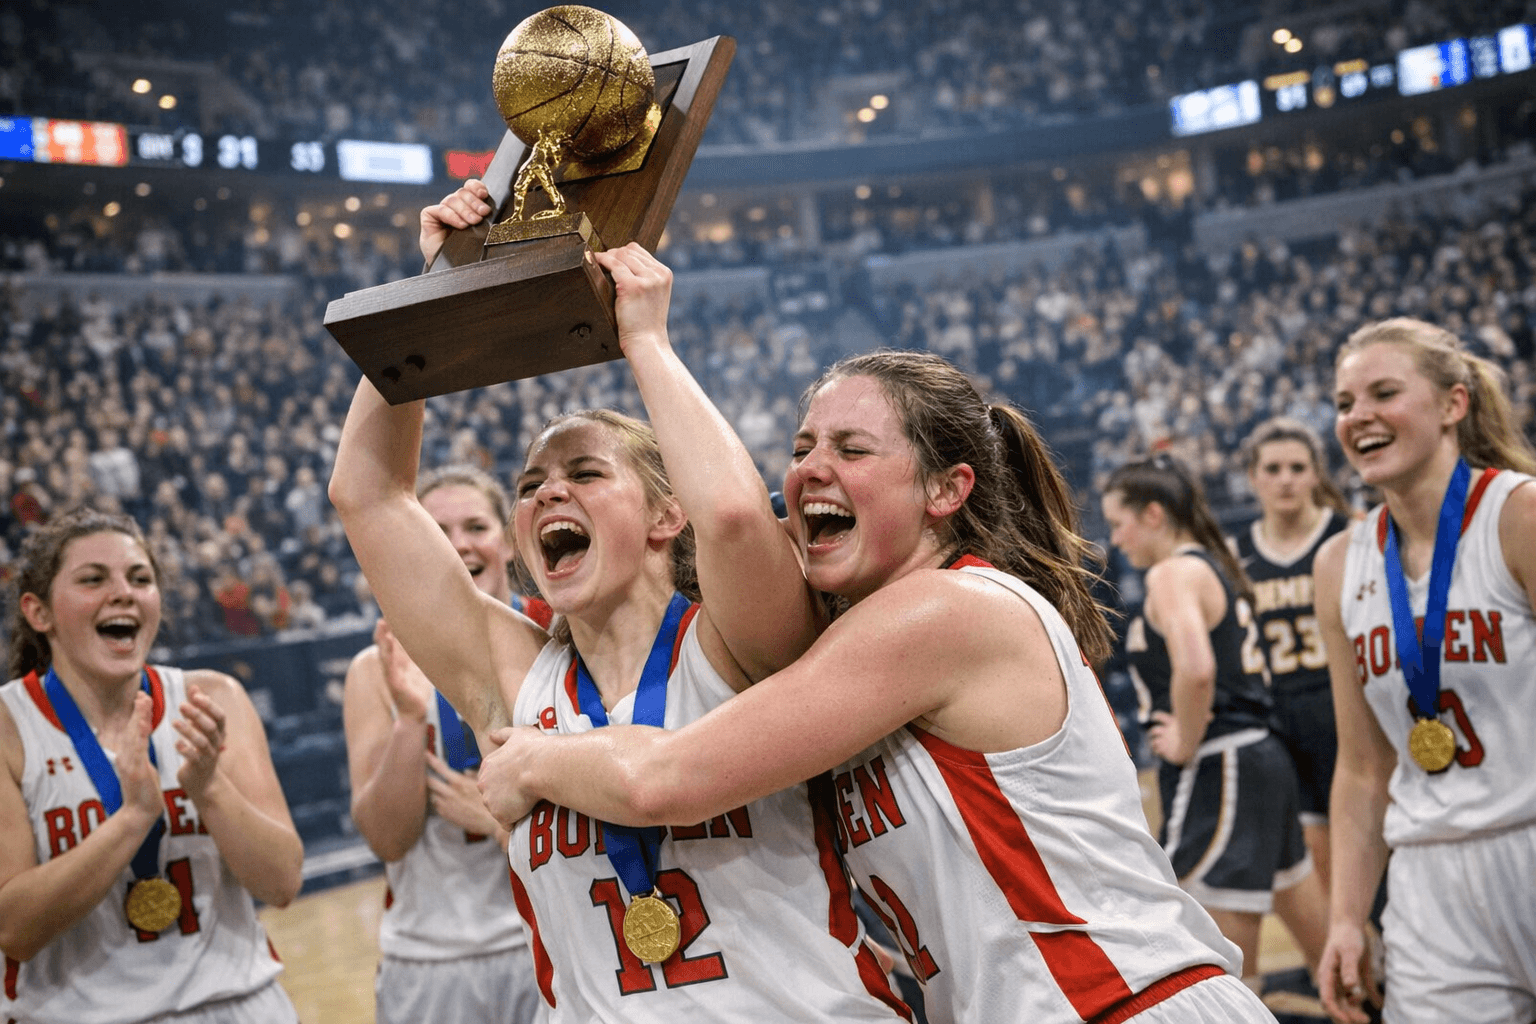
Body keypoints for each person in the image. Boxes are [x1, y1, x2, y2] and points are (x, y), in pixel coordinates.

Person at [476, 344, 1279, 1023]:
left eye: (851, 451)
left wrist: (527, 762)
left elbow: (666, 779)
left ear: (945, 489)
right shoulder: (868, 642)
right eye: (800, 451)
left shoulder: (941, 611)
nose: (808, 473)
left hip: (1122, 1004)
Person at [326, 180, 908, 1023]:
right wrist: (433, 294)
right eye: (529, 485)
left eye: (585, 473)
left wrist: (643, 338)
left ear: (669, 514)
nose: (545, 495)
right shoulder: (509, 675)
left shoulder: (736, 642)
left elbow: (741, 516)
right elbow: (369, 495)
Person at [0, 506, 304, 1024]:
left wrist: (209, 789)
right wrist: (132, 820)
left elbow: (281, 883)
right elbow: (15, 929)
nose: (123, 592)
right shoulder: (11, 726)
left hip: (235, 1004)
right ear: (38, 612)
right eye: (93, 579)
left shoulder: (214, 698)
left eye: (140, 579)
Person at [1315, 317, 1536, 1024]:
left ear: (1453, 404)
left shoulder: (1518, 516)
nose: (1360, 417)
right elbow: (1362, 767)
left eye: (1384, 392)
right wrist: (1347, 918)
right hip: (1431, 878)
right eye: (1346, 403)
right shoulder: (1338, 564)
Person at [1101, 455, 1329, 991]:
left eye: (1119, 522)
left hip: (1221, 763)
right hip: (1257, 759)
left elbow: (1197, 668)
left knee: (1213, 978)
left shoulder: (1173, 572)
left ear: (1153, 515)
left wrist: (1183, 737)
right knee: (1329, 952)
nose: (1115, 538)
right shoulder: (1210, 562)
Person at [342, 464, 542, 1024]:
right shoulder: (373, 669)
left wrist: (502, 825)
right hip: (433, 957)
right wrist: (409, 721)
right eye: (436, 530)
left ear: (507, 540)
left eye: (476, 526)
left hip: (551, 936)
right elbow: (386, 837)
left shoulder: (558, 642)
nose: (458, 545)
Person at [1232, 417, 1354, 895]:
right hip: (1282, 723)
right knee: (1322, 865)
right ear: (1253, 477)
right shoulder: (1234, 555)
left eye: (1298, 467)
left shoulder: (1349, 536)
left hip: (1348, 709)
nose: (1286, 479)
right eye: (1274, 468)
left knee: (1377, 851)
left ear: (1316, 475)